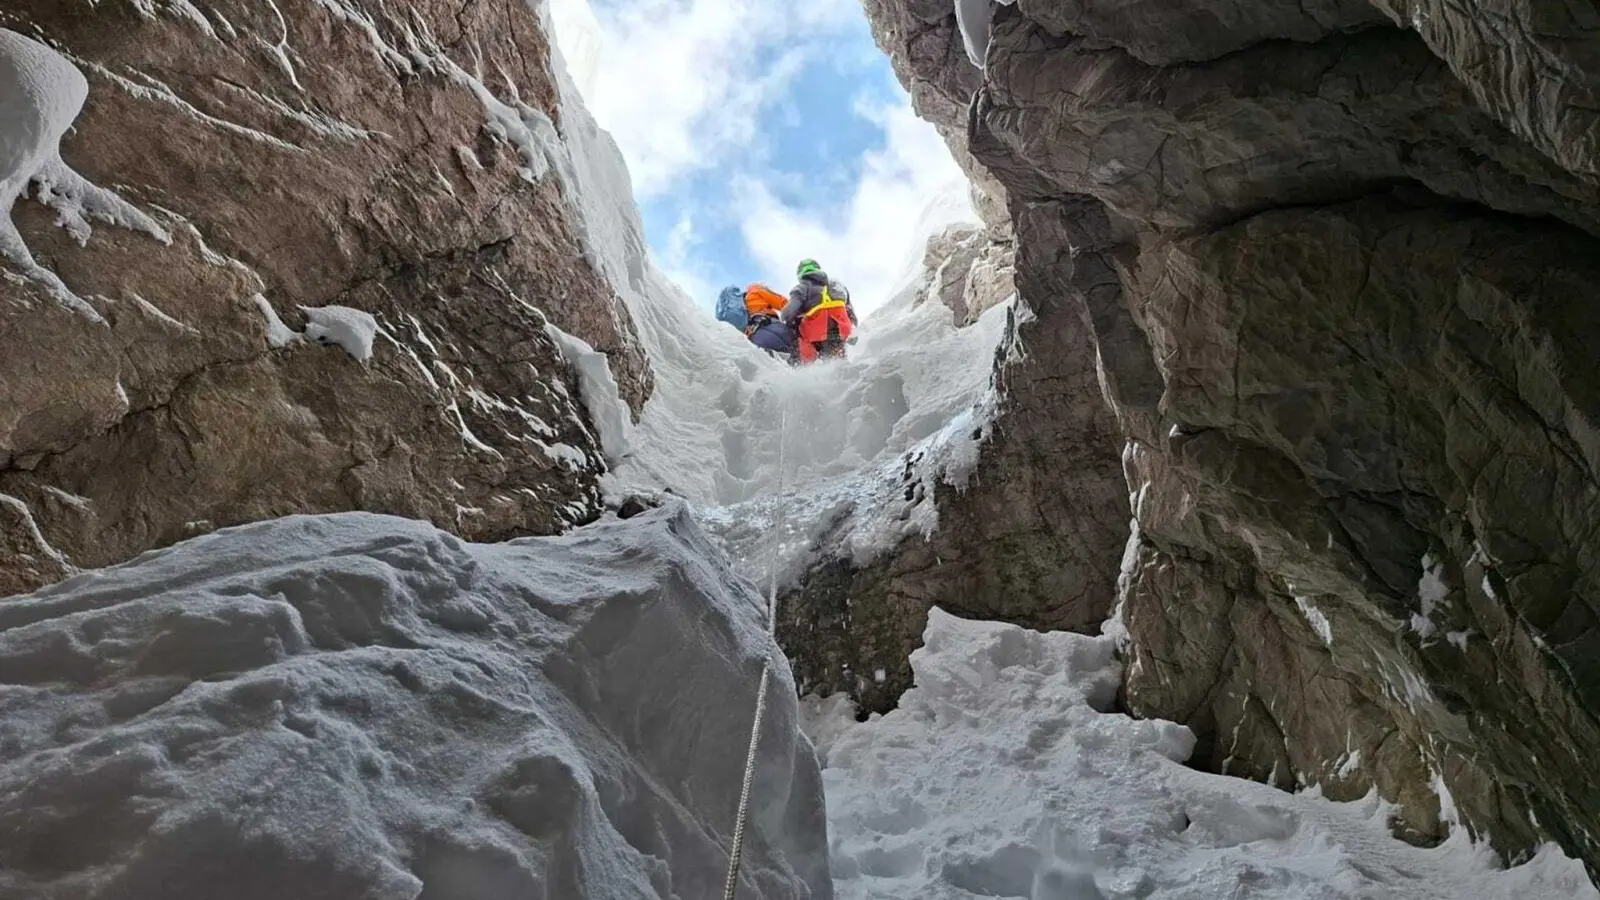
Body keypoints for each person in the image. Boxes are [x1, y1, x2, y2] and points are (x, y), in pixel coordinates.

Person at [781, 258, 857, 364]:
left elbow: (788, 315)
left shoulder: (802, 287)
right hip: (841, 330)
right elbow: (851, 313)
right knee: (839, 361)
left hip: (818, 333)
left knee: (829, 367)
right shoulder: (838, 286)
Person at [715, 283, 799, 364]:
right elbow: (786, 304)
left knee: (784, 370)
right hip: (773, 327)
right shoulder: (755, 292)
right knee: (802, 361)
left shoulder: (740, 313)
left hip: (756, 340)